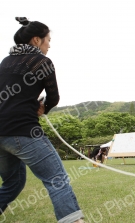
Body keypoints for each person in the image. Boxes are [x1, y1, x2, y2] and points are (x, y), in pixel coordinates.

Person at [0, 18, 84, 222]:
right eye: (48, 40)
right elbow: (54, 97)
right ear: (36, 40)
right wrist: (43, 107)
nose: (49, 45)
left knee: (13, 182)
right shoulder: (42, 62)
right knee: (57, 180)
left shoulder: (4, 62)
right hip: (23, 131)